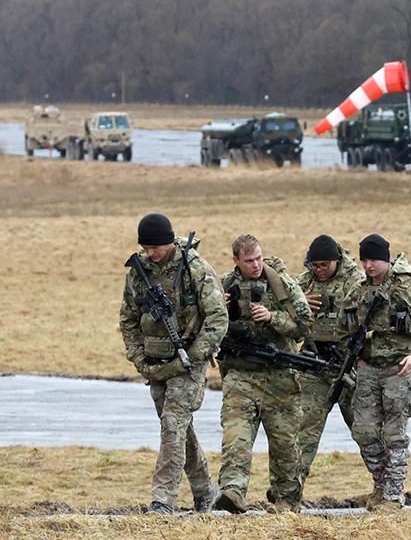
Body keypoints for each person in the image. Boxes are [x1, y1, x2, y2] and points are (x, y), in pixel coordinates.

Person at [118, 213, 227, 514]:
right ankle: (205, 490)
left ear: (169, 241)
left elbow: (218, 317)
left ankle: (163, 500)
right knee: (179, 430)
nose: (150, 253)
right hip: (155, 365)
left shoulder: (194, 268)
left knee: (172, 425)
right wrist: (138, 357)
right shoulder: (138, 273)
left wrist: (197, 353)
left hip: (189, 364)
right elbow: (127, 319)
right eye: (145, 247)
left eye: (156, 247)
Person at [342, 234, 411, 510]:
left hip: (399, 370)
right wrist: (357, 358)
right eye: (364, 259)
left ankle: (393, 495)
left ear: (386, 259)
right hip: (368, 370)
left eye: (373, 259)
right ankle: (381, 483)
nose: (368, 265)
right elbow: (346, 326)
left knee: (394, 434)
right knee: (363, 431)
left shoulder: (406, 289)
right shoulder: (359, 290)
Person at [215, 234, 313, 514]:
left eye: (258, 258)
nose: (256, 265)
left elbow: (305, 324)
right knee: (236, 435)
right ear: (236, 260)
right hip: (240, 374)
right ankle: (232, 491)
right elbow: (202, 322)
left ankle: (286, 500)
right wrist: (219, 309)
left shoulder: (281, 284)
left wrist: (273, 318)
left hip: (279, 375)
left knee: (284, 444)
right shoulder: (224, 286)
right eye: (249, 261)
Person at [295, 235, 365, 501]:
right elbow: (281, 303)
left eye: (324, 265)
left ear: (336, 261)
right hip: (314, 363)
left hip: (347, 363)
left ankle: (386, 490)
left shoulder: (355, 281)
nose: (319, 270)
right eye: (315, 265)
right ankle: (290, 492)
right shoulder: (304, 282)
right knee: (305, 429)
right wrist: (299, 301)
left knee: (364, 429)